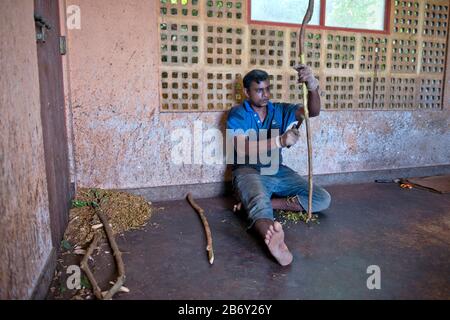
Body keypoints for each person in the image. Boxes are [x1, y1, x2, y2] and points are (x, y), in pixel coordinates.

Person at [226, 65, 331, 266]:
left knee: (320, 199)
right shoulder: (238, 113)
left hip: (277, 170)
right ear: (247, 92)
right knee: (258, 201)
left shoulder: (280, 110)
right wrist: (279, 142)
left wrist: (312, 86)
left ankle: (263, 204)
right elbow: (241, 148)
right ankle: (276, 243)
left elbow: (313, 111)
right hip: (248, 171)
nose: (265, 94)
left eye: (267, 89)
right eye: (259, 90)